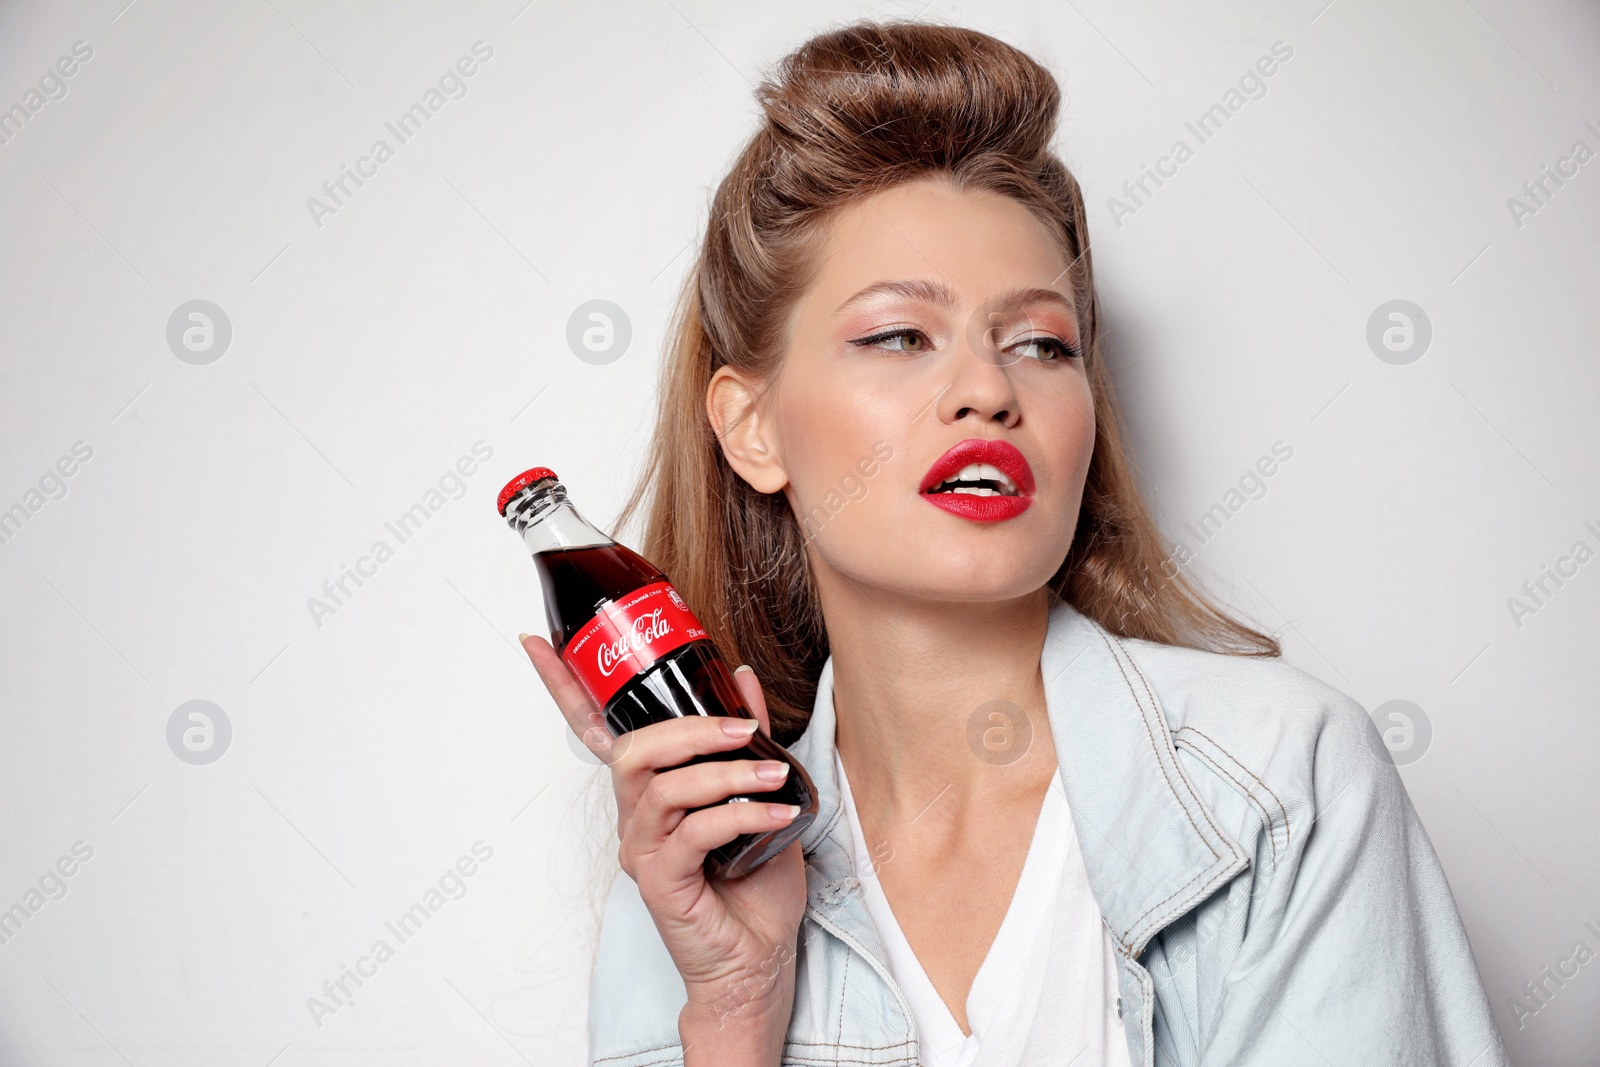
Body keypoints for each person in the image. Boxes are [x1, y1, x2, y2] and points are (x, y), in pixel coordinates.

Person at [520, 20, 1509, 1067]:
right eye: (898, 334)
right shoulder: (686, 869)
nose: (989, 389)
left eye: (1041, 342)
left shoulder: (1280, 784)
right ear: (751, 427)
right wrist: (733, 1005)